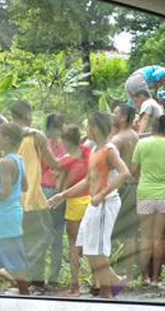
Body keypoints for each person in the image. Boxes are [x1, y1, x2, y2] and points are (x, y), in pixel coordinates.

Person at [48, 112, 131, 299]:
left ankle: (107, 292)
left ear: (95, 128)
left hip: (105, 203)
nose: (87, 130)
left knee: (98, 250)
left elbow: (125, 173)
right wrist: (62, 195)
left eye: (89, 126)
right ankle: (114, 282)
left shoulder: (109, 150)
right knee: (89, 247)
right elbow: (88, 181)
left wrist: (102, 194)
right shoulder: (94, 151)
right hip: (94, 204)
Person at [11, 100, 62, 292]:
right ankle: (36, 282)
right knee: (42, 237)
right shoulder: (37, 136)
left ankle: (25, 281)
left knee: (21, 240)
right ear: (27, 115)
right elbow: (53, 163)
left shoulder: (7, 136)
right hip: (33, 197)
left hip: (13, 199)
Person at [131, 115, 165, 286]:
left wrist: (144, 180)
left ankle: (144, 277)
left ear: (152, 128)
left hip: (145, 193)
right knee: (159, 237)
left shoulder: (141, 144)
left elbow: (134, 170)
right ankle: (156, 278)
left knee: (146, 236)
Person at [56, 125, 91, 297]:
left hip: (74, 204)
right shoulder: (88, 152)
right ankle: (97, 284)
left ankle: (75, 287)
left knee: (74, 247)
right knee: (91, 244)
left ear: (66, 141)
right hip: (91, 201)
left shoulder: (66, 161)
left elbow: (60, 187)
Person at [109, 103, 140, 280]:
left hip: (122, 187)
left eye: (115, 113)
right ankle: (129, 273)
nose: (113, 115)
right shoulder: (135, 136)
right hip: (135, 186)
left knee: (111, 231)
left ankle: (110, 273)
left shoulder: (118, 140)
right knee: (130, 233)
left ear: (122, 117)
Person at [0, 122, 29, 295]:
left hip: (4, 216)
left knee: (13, 259)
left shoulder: (5, 162)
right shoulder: (19, 161)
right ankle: (24, 293)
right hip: (14, 213)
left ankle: (25, 295)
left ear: (7, 138)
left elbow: (4, 192)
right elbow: (25, 186)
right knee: (14, 257)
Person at [40, 113, 67, 288]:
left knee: (43, 236)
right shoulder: (67, 146)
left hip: (45, 191)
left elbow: (40, 169)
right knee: (57, 236)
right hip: (59, 192)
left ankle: (38, 278)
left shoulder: (44, 145)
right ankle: (54, 277)